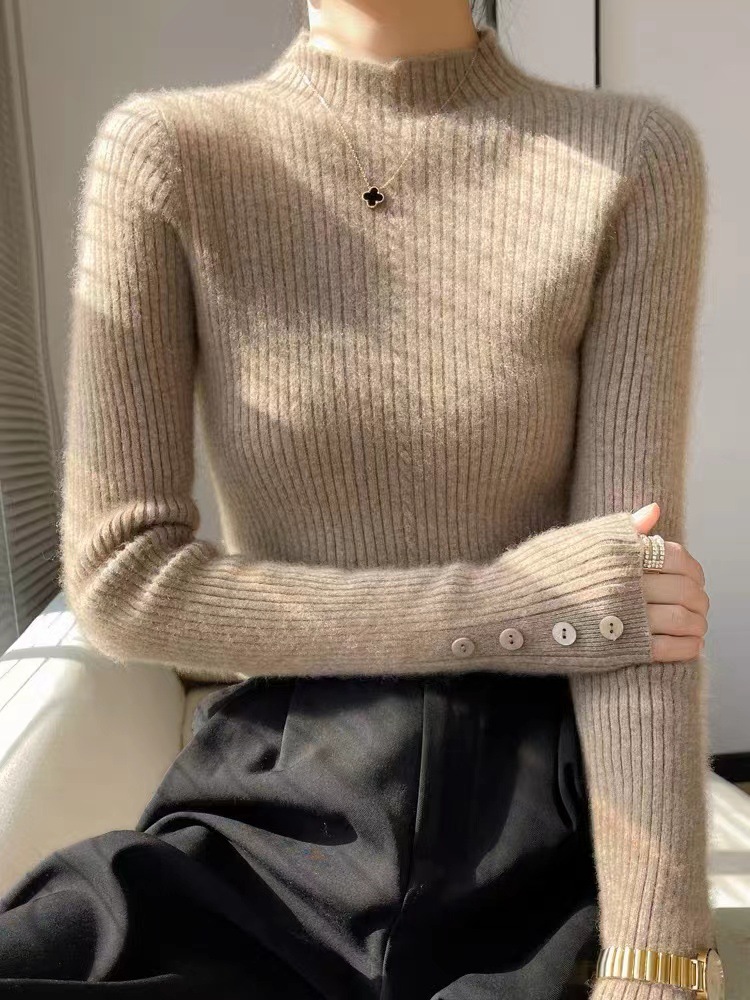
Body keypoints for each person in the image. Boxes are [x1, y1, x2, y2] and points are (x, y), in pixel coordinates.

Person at [0, 0, 718, 997]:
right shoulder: (168, 156)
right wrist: (509, 605)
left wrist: (659, 961)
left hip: (532, 827)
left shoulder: (630, 158)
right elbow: (124, 580)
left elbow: (637, 602)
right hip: (271, 809)